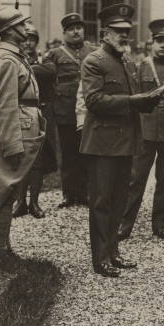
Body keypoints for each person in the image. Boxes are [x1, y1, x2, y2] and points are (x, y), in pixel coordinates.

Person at [81, 3, 160, 277]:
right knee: (101, 201)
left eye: (127, 31)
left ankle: (114, 252)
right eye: (118, 31)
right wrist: (132, 100)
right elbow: (93, 100)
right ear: (105, 34)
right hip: (102, 143)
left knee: (119, 200)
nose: (124, 35)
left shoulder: (127, 62)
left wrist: (150, 100)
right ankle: (100, 258)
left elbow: (132, 98)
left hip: (125, 142)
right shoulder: (94, 61)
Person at [0, 8, 46, 266]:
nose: (26, 28)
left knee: (9, 190)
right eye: (21, 25)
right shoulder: (8, 60)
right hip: (14, 133)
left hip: (22, 129)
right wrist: (11, 144)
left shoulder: (14, 56)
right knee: (3, 190)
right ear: (9, 30)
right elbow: (5, 105)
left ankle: (4, 249)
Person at [119, 19, 164, 240]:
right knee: (135, 180)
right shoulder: (141, 68)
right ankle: (125, 224)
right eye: (159, 41)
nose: (163, 45)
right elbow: (133, 101)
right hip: (145, 130)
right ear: (152, 43)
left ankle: (159, 224)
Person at [43, 13, 96, 208]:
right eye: (71, 29)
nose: (75, 32)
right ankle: (68, 194)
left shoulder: (94, 51)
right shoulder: (55, 54)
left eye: (78, 28)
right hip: (65, 110)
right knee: (67, 153)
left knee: (86, 152)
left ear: (83, 30)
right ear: (64, 33)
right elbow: (48, 82)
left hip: (89, 109)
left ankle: (84, 193)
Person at [13, 25, 58, 219]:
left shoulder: (43, 59)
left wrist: (28, 69)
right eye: (25, 39)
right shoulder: (14, 59)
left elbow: (51, 70)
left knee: (37, 159)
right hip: (21, 112)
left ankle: (34, 202)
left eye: (32, 39)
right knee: (23, 158)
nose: (28, 43)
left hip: (40, 112)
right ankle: (20, 202)